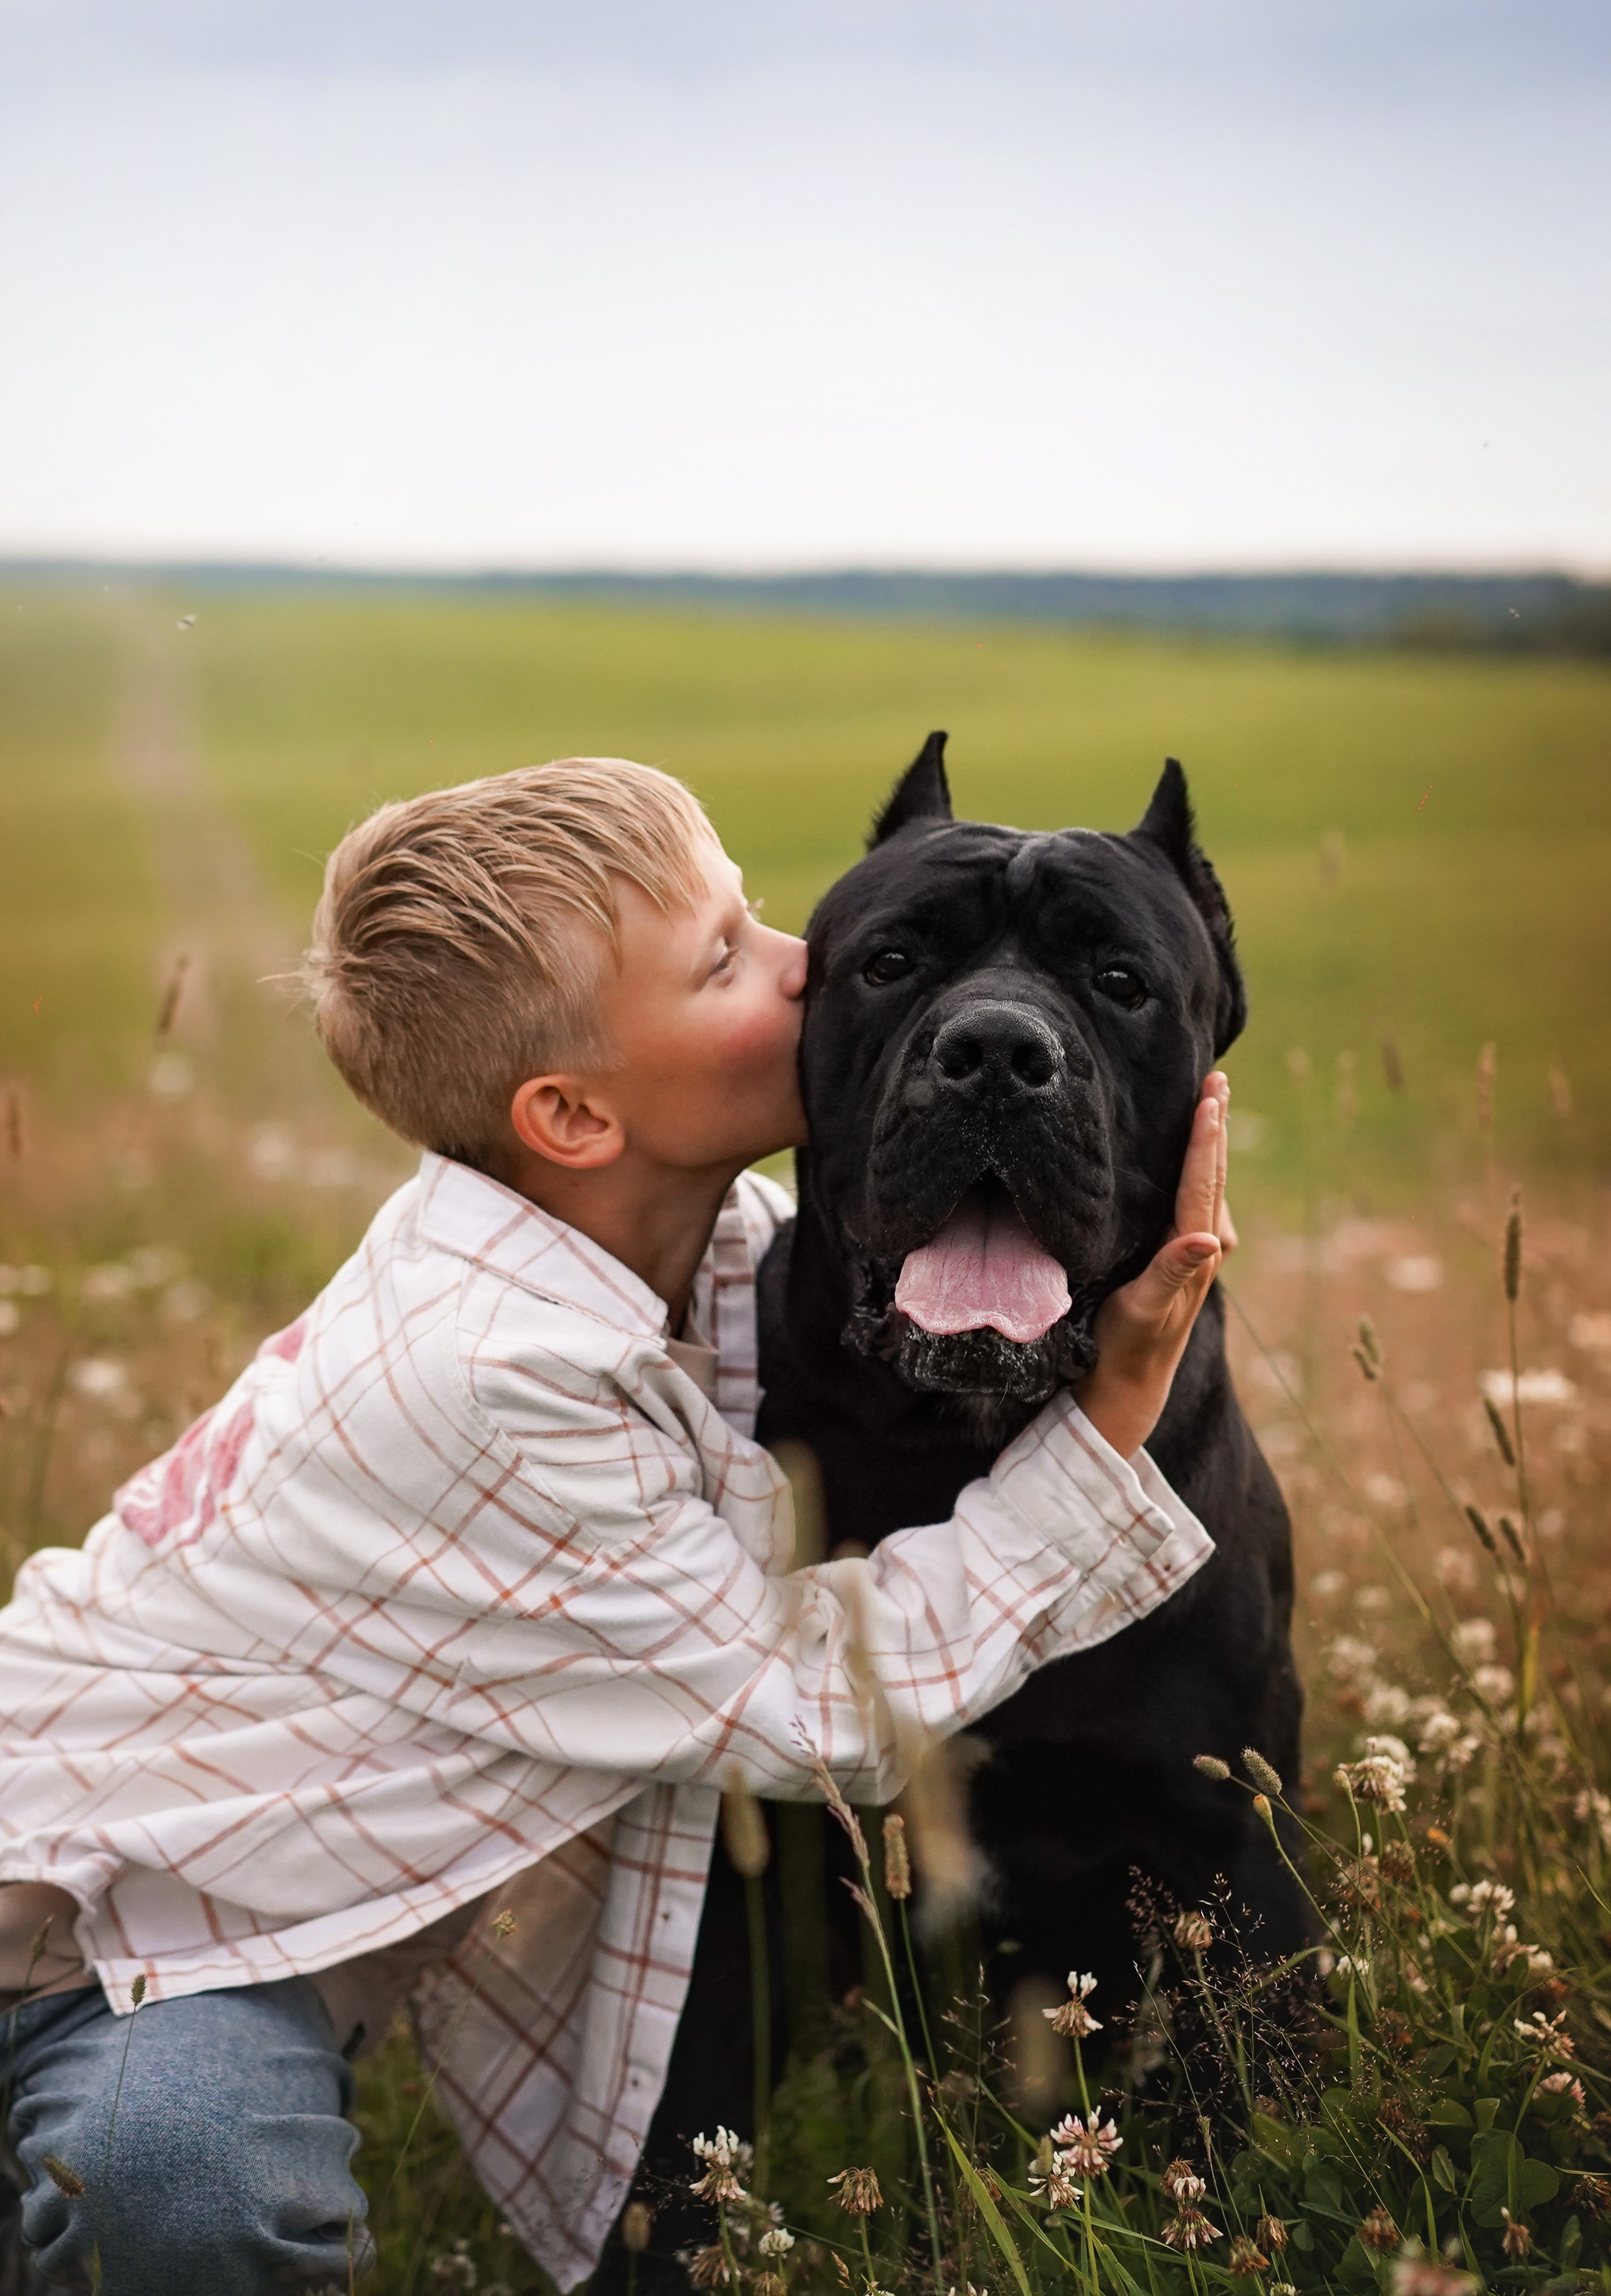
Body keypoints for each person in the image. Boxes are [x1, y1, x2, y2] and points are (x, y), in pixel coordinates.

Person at [0, 759, 1230, 2294]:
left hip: (214, 1918)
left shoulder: (663, 1252)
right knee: (180, 2186)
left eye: (760, 916)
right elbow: (819, 1705)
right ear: (573, 1113)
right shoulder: (489, 1376)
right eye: (724, 957)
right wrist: (1110, 1422)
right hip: (80, 1930)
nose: (801, 961)